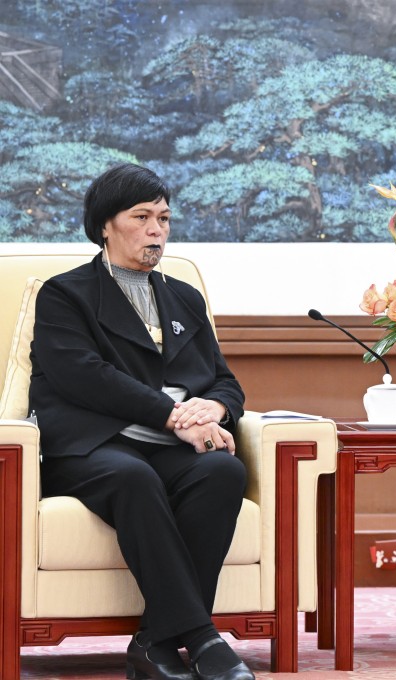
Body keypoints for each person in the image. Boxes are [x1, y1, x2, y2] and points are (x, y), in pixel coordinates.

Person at [29, 164, 255, 680]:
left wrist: (216, 409)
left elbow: (224, 380)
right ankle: (202, 638)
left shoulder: (183, 297)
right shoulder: (65, 294)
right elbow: (85, 377)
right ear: (105, 225)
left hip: (169, 445)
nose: (157, 230)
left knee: (222, 472)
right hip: (90, 444)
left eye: (164, 218)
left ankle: (153, 642)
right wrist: (176, 415)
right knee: (134, 476)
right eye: (142, 217)